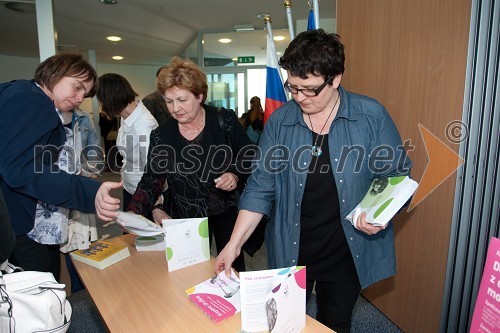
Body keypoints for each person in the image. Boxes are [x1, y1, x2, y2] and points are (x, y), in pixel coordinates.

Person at [215, 29, 413, 333]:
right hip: (291, 245)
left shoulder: (370, 115)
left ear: (335, 78)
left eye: (309, 89)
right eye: (293, 88)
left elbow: (396, 174)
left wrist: (379, 213)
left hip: (348, 247)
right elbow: (260, 187)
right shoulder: (281, 121)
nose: (299, 97)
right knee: (283, 322)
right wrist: (233, 244)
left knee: (334, 322)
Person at [127, 56, 254, 272]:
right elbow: (152, 179)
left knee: (232, 265)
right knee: (190, 269)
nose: (175, 108)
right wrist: (132, 214)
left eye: (182, 100)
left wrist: (234, 174)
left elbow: (248, 153)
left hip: (226, 209)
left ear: (199, 96)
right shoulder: (161, 135)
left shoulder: (224, 120)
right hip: (186, 214)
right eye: (169, 101)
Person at [0, 53, 121, 274]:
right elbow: (22, 170)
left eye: (84, 93)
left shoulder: (20, 91)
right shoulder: (33, 100)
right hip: (21, 224)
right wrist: (88, 192)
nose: (79, 97)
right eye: (77, 87)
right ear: (55, 72)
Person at [96, 73, 159, 211]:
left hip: (144, 195)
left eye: (101, 101)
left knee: (135, 232)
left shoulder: (144, 125)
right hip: (129, 186)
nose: (101, 106)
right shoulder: (126, 116)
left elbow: (153, 171)